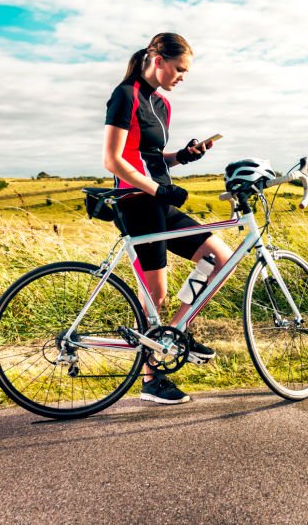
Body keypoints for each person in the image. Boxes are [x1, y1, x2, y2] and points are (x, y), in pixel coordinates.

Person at [102, 32, 233, 405]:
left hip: (159, 202)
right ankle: (150, 379)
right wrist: (158, 190)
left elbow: (152, 155)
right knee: (154, 294)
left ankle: (175, 333)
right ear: (158, 60)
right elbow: (113, 160)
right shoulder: (125, 95)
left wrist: (184, 157)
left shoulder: (161, 104)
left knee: (218, 259)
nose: (182, 78)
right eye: (179, 69)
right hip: (137, 203)